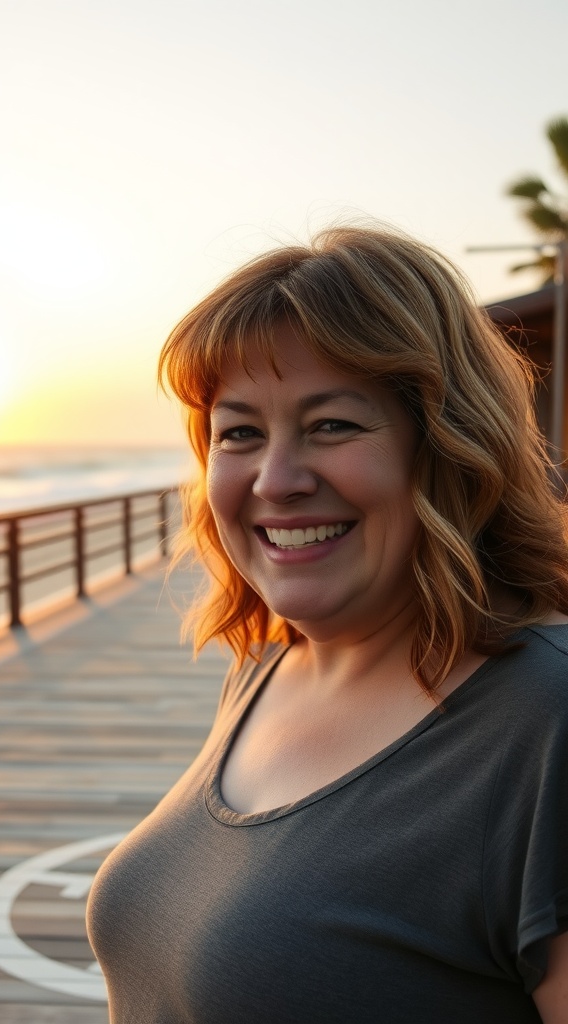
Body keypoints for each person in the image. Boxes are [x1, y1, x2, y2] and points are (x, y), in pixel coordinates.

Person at [87, 225, 568, 1023]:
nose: (276, 480)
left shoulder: (545, 722)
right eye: (239, 432)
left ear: (448, 446)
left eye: (333, 425)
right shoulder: (267, 667)